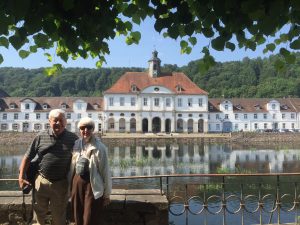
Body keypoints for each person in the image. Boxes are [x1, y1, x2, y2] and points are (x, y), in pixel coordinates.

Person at [18, 109, 78, 225]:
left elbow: (81, 157)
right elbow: (27, 157)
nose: (58, 123)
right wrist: (21, 177)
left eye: (61, 120)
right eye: (55, 120)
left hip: (61, 184)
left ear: (65, 122)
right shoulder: (40, 136)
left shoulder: (73, 139)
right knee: (39, 216)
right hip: (41, 182)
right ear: (49, 121)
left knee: (59, 217)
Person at [70, 117, 111, 225]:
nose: (85, 130)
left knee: (90, 218)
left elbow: (105, 171)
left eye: (89, 127)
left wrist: (106, 194)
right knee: (77, 215)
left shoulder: (100, 147)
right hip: (76, 184)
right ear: (79, 130)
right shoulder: (76, 144)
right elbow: (72, 167)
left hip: (92, 185)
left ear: (93, 129)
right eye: (82, 128)